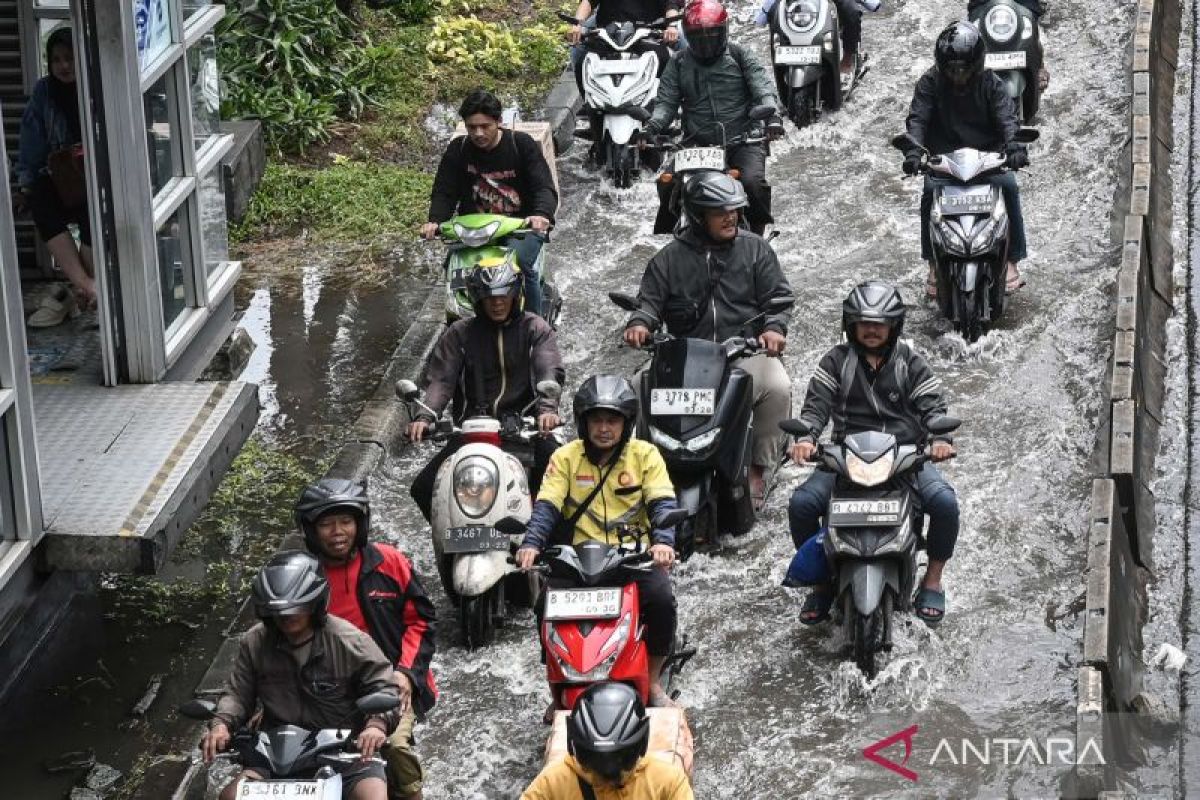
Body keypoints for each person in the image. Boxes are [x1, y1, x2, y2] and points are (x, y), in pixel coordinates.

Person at [786, 281, 959, 626]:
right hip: (845, 459)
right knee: (802, 504)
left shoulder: (910, 362)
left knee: (945, 504)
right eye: (864, 322)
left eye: (879, 323)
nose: (871, 330)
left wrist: (940, 439)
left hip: (905, 459)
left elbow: (933, 407)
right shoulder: (835, 361)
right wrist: (806, 439)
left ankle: (933, 579)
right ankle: (821, 583)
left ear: (894, 325)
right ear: (851, 324)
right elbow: (815, 408)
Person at [623, 173, 793, 507]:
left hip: (743, 354)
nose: (731, 217)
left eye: (734, 210)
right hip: (684, 360)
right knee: (634, 388)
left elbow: (779, 300)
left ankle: (759, 468)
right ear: (699, 216)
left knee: (778, 385)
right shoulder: (667, 259)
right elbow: (648, 304)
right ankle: (641, 469)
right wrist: (639, 323)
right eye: (720, 212)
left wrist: (774, 329)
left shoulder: (756, 249)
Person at [515, 375, 681, 709]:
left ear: (626, 424)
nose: (604, 428)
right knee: (544, 605)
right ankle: (559, 689)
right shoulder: (564, 458)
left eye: (612, 420)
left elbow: (662, 504)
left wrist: (663, 542)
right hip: (580, 560)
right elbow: (547, 506)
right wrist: (530, 544)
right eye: (596, 420)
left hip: (634, 559)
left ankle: (652, 682)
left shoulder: (645, 455)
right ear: (583, 423)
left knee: (662, 600)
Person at [201, 551, 402, 800]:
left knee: (372, 796)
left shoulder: (350, 641)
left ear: (315, 603)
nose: (288, 616)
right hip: (274, 755)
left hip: (344, 752)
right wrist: (222, 724)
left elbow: (383, 688)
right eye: (281, 610)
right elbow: (238, 694)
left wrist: (375, 726)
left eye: (297, 606)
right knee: (230, 797)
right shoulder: (254, 642)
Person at [297, 479, 438, 800]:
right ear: (310, 530)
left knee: (396, 745)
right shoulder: (302, 577)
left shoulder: (390, 562)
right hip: (326, 686)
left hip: (390, 681)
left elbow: (422, 621)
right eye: (327, 524)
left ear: (359, 524)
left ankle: (412, 793)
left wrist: (404, 672)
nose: (337, 532)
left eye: (345, 522)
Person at [407, 256, 564, 522]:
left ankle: (549, 552)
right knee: (423, 488)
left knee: (563, 485)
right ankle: (449, 548)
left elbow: (548, 368)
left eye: (504, 295)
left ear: (516, 295)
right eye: (489, 297)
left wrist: (547, 410)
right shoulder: (459, 333)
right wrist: (425, 416)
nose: (497, 302)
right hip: (472, 431)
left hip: (528, 429)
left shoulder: (535, 328)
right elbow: (441, 380)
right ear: (477, 299)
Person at [901, 20, 1029, 295]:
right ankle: (933, 264)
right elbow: (918, 120)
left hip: (988, 160)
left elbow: (1007, 119)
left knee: (1009, 187)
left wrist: (1015, 147)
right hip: (944, 162)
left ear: (977, 64)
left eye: (963, 69)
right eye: (952, 69)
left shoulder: (993, 85)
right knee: (929, 195)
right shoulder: (928, 83)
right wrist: (913, 151)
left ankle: (1011, 260)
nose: (958, 75)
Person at [640, 0, 784, 235]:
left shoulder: (740, 55)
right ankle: (671, 242)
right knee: (666, 183)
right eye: (698, 37)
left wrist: (773, 118)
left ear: (724, 31)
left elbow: (763, 90)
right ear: (688, 35)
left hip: (742, 139)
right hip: (696, 143)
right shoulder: (678, 62)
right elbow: (666, 103)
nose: (705, 42)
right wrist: (652, 128)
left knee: (752, 184)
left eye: (712, 35)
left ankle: (757, 239)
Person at [420, 89, 559, 316]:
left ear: (499, 122)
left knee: (522, 266)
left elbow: (543, 186)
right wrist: (435, 221)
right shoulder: (459, 150)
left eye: (485, 126)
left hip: (520, 227)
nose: (478, 133)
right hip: (473, 230)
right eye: (472, 127)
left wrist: (541, 215)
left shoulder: (521, 145)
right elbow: (444, 191)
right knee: (453, 268)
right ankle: (457, 325)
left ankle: (534, 326)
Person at [14, 27, 96, 327]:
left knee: (95, 207)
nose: (64, 66)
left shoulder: (97, 87)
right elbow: (32, 142)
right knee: (40, 198)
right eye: (57, 59)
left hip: (95, 182)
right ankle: (86, 286)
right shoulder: (44, 91)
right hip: (65, 179)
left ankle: (72, 294)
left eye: (70, 58)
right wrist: (24, 186)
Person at [520, 683, 694, 799]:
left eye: (616, 771)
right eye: (596, 769)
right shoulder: (553, 782)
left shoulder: (667, 783)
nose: (607, 780)